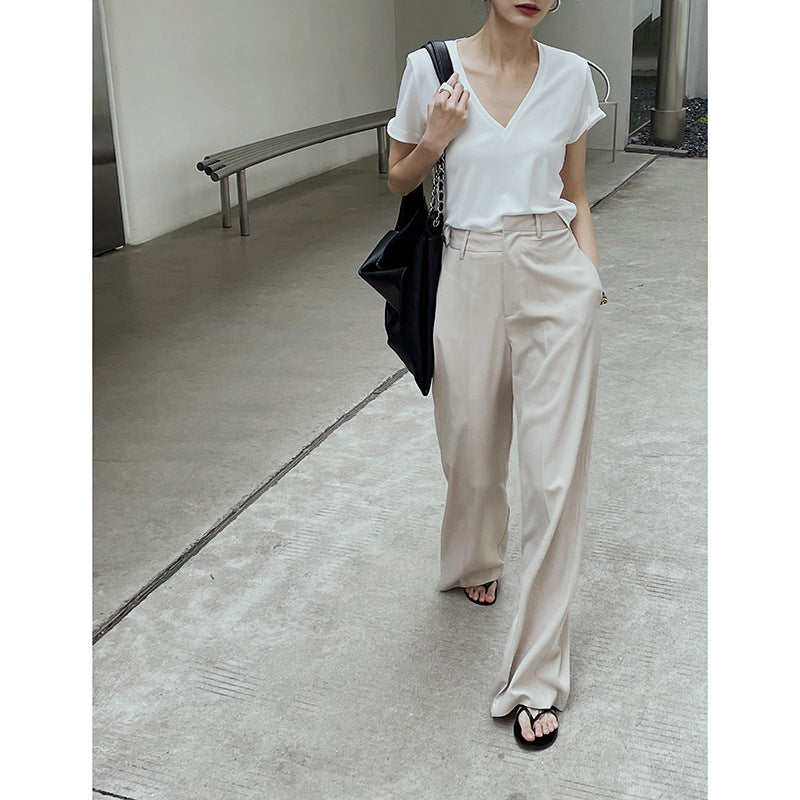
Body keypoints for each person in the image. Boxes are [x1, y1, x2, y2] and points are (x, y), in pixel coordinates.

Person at [386, 0, 607, 750]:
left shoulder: (573, 77)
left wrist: (589, 282)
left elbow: (577, 193)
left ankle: (537, 677)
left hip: (553, 270)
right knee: (471, 444)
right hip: (467, 264)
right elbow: (397, 180)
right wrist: (437, 137)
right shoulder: (431, 70)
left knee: (554, 477)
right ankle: (474, 556)